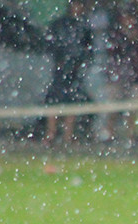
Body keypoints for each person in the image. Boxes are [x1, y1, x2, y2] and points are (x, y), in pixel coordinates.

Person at [44, 0, 94, 146]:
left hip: (75, 70)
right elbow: (51, 43)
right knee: (55, 100)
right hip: (60, 70)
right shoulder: (60, 25)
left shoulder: (84, 26)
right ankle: (51, 134)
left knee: (72, 101)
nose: (78, 9)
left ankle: (67, 135)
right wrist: (60, 58)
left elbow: (88, 48)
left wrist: (80, 62)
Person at [102, 8, 138, 144]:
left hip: (133, 78)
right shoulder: (115, 35)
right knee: (112, 108)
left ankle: (131, 135)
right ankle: (110, 133)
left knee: (132, 109)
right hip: (117, 76)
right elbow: (113, 52)